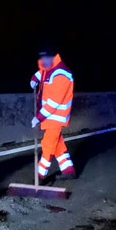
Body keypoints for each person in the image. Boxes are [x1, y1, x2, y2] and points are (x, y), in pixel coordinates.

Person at [30, 48, 76, 181]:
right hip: (50, 116)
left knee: (48, 144)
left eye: (45, 58)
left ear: (53, 58)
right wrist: (35, 78)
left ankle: (40, 175)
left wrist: (39, 117)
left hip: (56, 116)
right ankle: (68, 170)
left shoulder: (61, 75)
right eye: (41, 59)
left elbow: (54, 103)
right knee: (57, 144)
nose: (43, 61)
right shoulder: (49, 69)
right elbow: (42, 73)